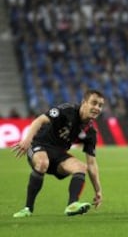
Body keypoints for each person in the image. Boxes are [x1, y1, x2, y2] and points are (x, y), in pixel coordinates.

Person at [12, 89, 105, 217]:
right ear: (84, 103)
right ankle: (27, 208)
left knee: (81, 167)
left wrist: (98, 190)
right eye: (94, 103)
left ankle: (72, 205)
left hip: (58, 155)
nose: (97, 108)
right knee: (42, 162)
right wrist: (27, 140)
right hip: (39, 145)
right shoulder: (67, 110)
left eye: (100, 105)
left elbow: (92, 164)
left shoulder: (90, 132)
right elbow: (39, 120)